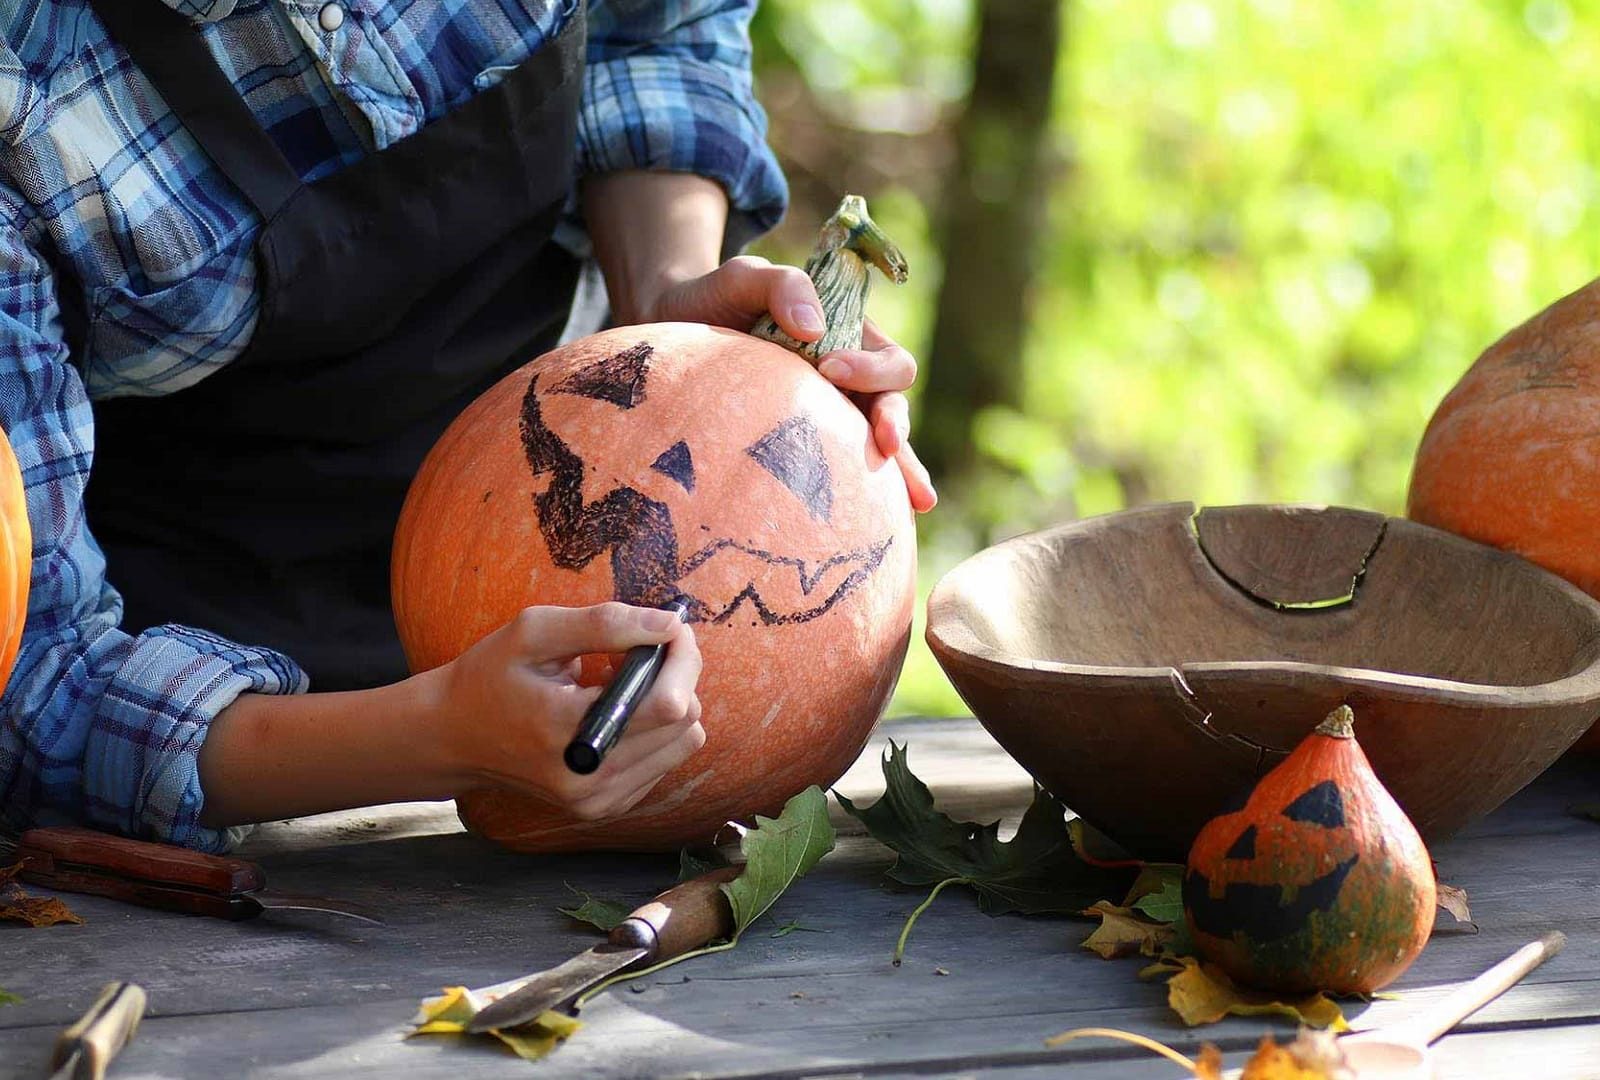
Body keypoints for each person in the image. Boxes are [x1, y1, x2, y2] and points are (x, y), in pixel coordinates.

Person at [0, 0, 936, 853]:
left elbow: (652, 29)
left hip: (525, 523)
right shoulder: (25, 98)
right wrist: (435, 738)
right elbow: (30, 700)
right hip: (222, 721)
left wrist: (671, 322)